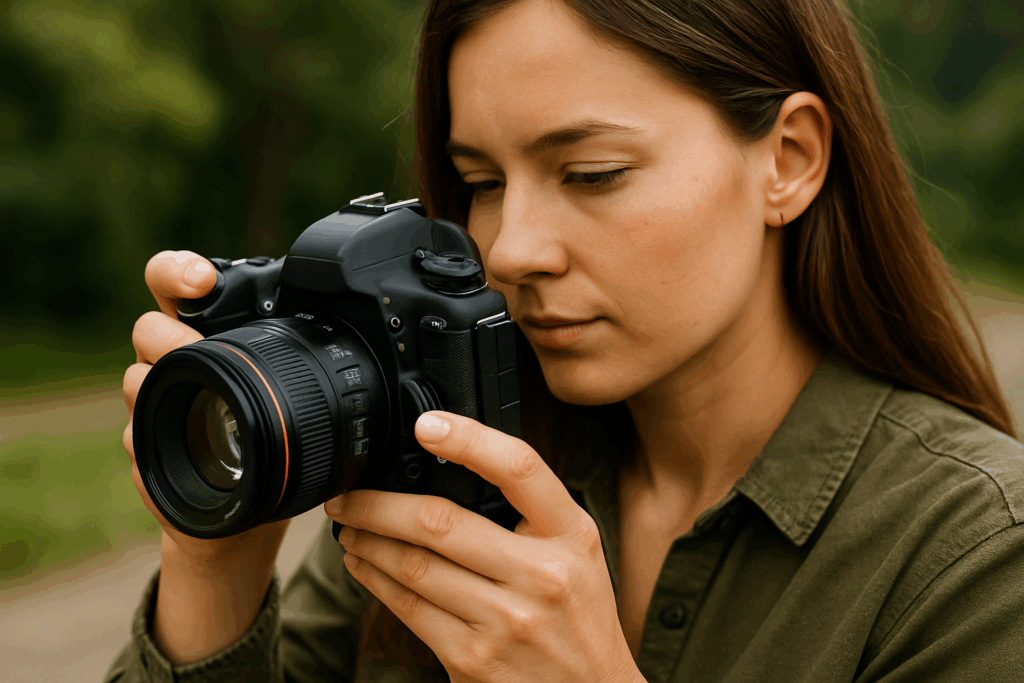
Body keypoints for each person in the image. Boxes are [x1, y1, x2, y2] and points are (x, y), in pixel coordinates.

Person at [106, 0, 1024, 681]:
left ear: (787, 160)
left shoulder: (973, 557)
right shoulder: (452, 467)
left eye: (591, 173)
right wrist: (212, 559)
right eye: (480, 179)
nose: (511, 248)